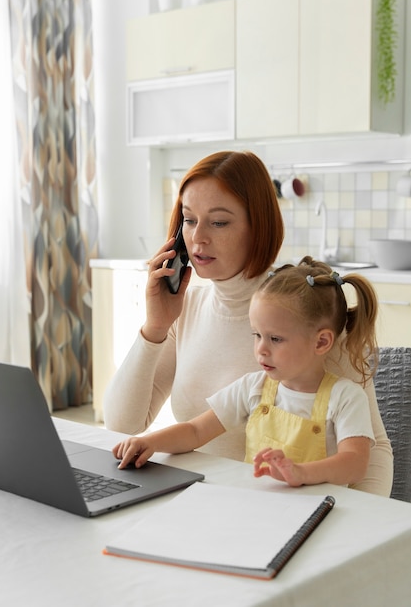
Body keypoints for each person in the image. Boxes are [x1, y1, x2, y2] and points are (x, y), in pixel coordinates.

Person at [104, 150, 393, 495]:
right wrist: (154, 328)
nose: (198, 238)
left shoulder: (306, 316)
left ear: (258, 227)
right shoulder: (186, 308)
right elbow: (121, 426)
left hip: (299, 514)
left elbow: (373, 450)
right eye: (190, 219)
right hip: (208, 499)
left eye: (219, 222)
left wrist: (364, 532)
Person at [113, 257, 377, 489]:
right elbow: (195, 431)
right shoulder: (254, 387)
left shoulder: (346, 397)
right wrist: (149, 443)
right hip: (258, 508)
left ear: (321, 342)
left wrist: (300, 473)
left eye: (275, 339)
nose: (261, 349)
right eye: (257, 335)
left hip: (320, 515)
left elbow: (354, 464)